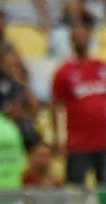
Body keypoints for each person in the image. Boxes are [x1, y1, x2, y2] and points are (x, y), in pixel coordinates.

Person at [51, 21, 106, 186]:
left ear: (89, 37)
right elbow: (56, 106)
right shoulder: (64, 72)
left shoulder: (101, 68)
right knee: (76, 191)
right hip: (78, 144)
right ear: (71, 40)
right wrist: (57, 138)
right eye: (77, 35)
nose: (81, 38)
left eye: (83, 34)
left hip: (104, 141)